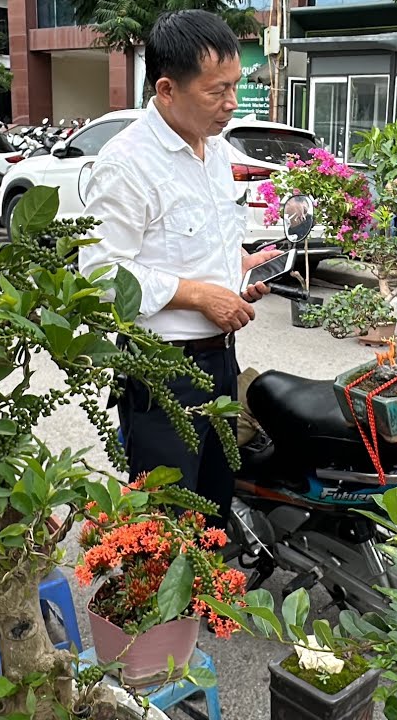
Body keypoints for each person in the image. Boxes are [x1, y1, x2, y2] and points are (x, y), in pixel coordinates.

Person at [78, 9, 282, 525]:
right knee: (166, 519)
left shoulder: (215, 153)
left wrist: (239, 275)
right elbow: (100, 274)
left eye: (235, 86)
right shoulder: (127, 164)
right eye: (217, 92)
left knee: (212, 502)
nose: (231, 104)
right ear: (166, 89)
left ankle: (205, 600)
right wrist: (198, 296)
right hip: (161, 372)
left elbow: (202, 248)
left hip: (220, 361)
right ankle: (164, 607)